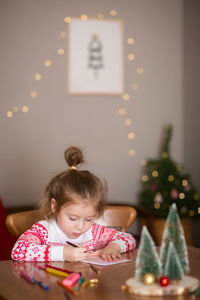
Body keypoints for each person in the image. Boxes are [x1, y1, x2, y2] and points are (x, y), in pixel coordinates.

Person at [11, 146, 136, 262]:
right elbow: (18, 251)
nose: (80, 227)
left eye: (88, 219)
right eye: (73, 218)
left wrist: (114, 247)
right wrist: (63, 253)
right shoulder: (45, 231)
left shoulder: (94, 232)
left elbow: (129, 239)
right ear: (54, 206)